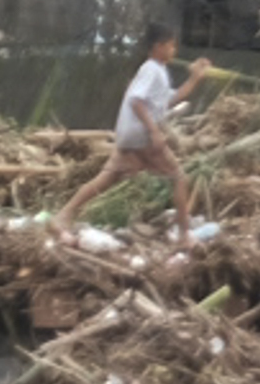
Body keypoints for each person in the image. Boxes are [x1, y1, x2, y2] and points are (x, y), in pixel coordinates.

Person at [58, 26, 215, 239]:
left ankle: (63, 215)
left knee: (106, 178)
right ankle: (185, 236)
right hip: (141, 137)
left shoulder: (158, 71)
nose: (174, 50)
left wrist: (195, 78)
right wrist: (154, 132)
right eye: (171, 45)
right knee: (179, 177)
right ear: (158, 47)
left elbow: (172, 99)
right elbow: (136, 100)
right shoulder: (151, 69)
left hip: (128, 136)